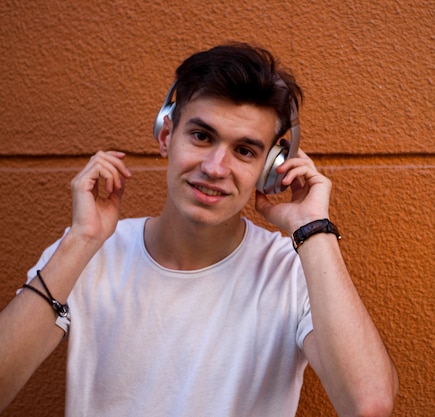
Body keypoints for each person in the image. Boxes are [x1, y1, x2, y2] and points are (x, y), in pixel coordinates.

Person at [0, 42, 398, 416]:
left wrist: (313, 230)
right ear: (166, 135)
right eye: (201, 136)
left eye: (244, 150)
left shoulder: (293, 271)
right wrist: (81, 241)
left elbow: (367, 405)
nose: (215, 168)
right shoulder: (92, 253)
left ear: (270, 169)